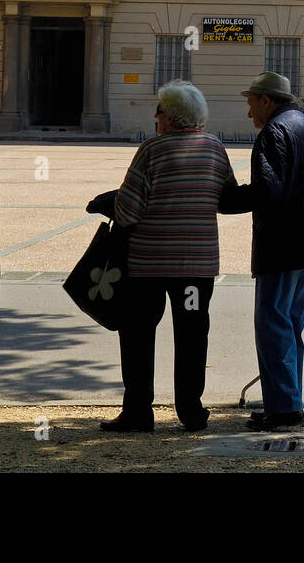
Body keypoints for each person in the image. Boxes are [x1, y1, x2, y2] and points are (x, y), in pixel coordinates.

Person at [98, 80, 237, 433]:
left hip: (147, 265)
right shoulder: (215, 149)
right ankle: (191, 412)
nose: (155, 116)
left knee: (138, 336)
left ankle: (138, 413)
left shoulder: (150, 151)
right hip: (196, 268)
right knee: (192, 335)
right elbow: (225, 198)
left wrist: (106, 202)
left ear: (171, 117)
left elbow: (128, 212)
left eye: (159, 110)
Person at [230, 71, 304, 430]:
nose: (249, 112)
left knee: (272, 322)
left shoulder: (274, 131)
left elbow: (266, 192)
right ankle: (287, 401)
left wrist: (224, 196)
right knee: (290, 324)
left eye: (251, 103)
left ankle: (284, 408)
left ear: (267, 101)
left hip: (281, 244)